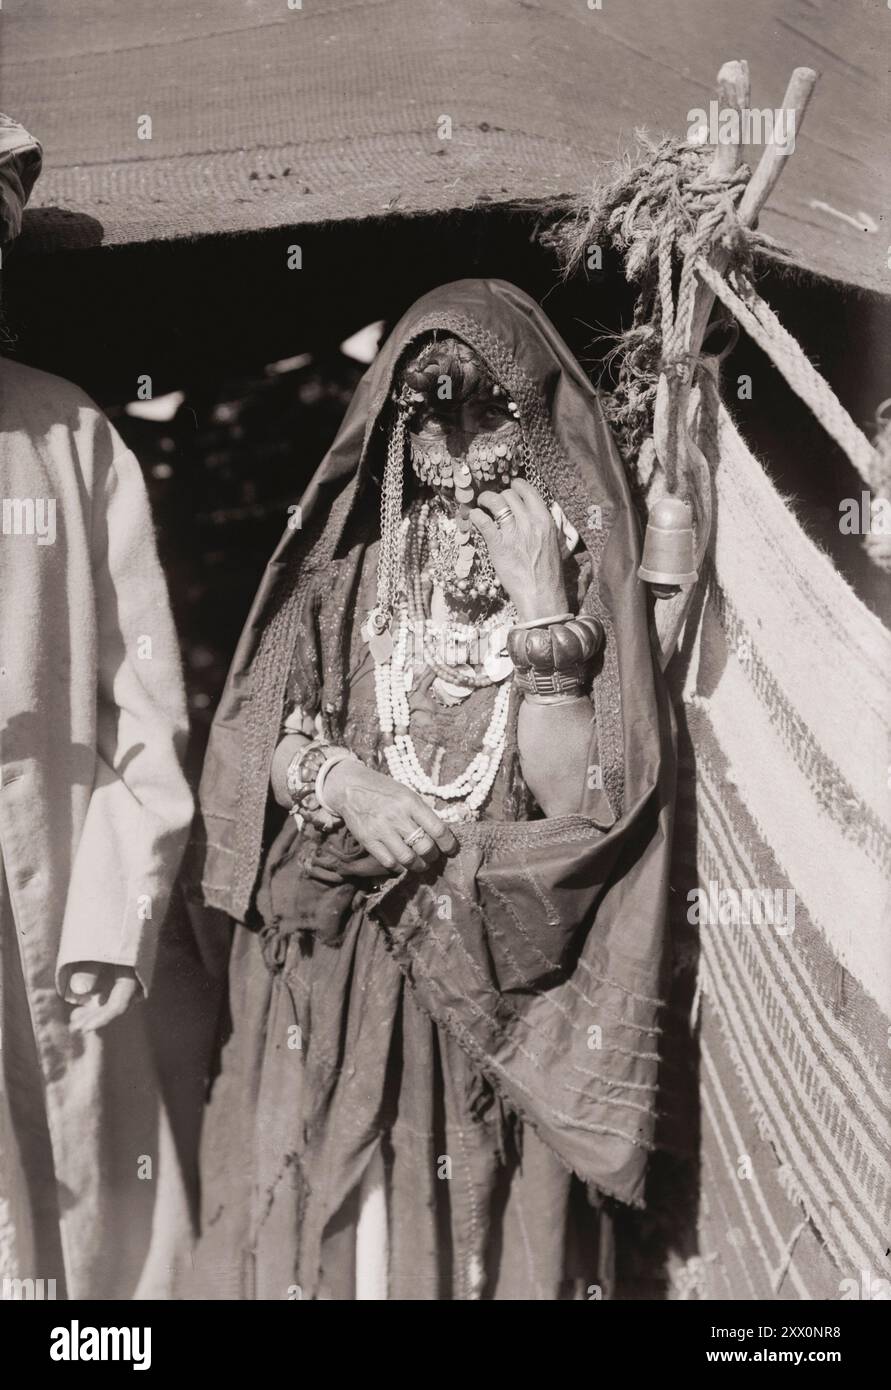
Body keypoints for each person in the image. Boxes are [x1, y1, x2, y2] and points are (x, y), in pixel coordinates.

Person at [190, 278, 675, 1300]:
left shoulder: (582, 578)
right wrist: (343, 778)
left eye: (487, 409)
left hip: (498, 981)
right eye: (432, 414)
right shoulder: (351, 571)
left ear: (536, 422)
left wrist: (543, 604)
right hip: (349, 968)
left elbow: (581, 802)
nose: (459, 438)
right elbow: (263, 751)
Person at [0, 115, 194, 1299]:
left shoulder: (67, 433)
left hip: (51, 901)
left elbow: (142, 707)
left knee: (83, 1248)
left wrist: (114, 915)